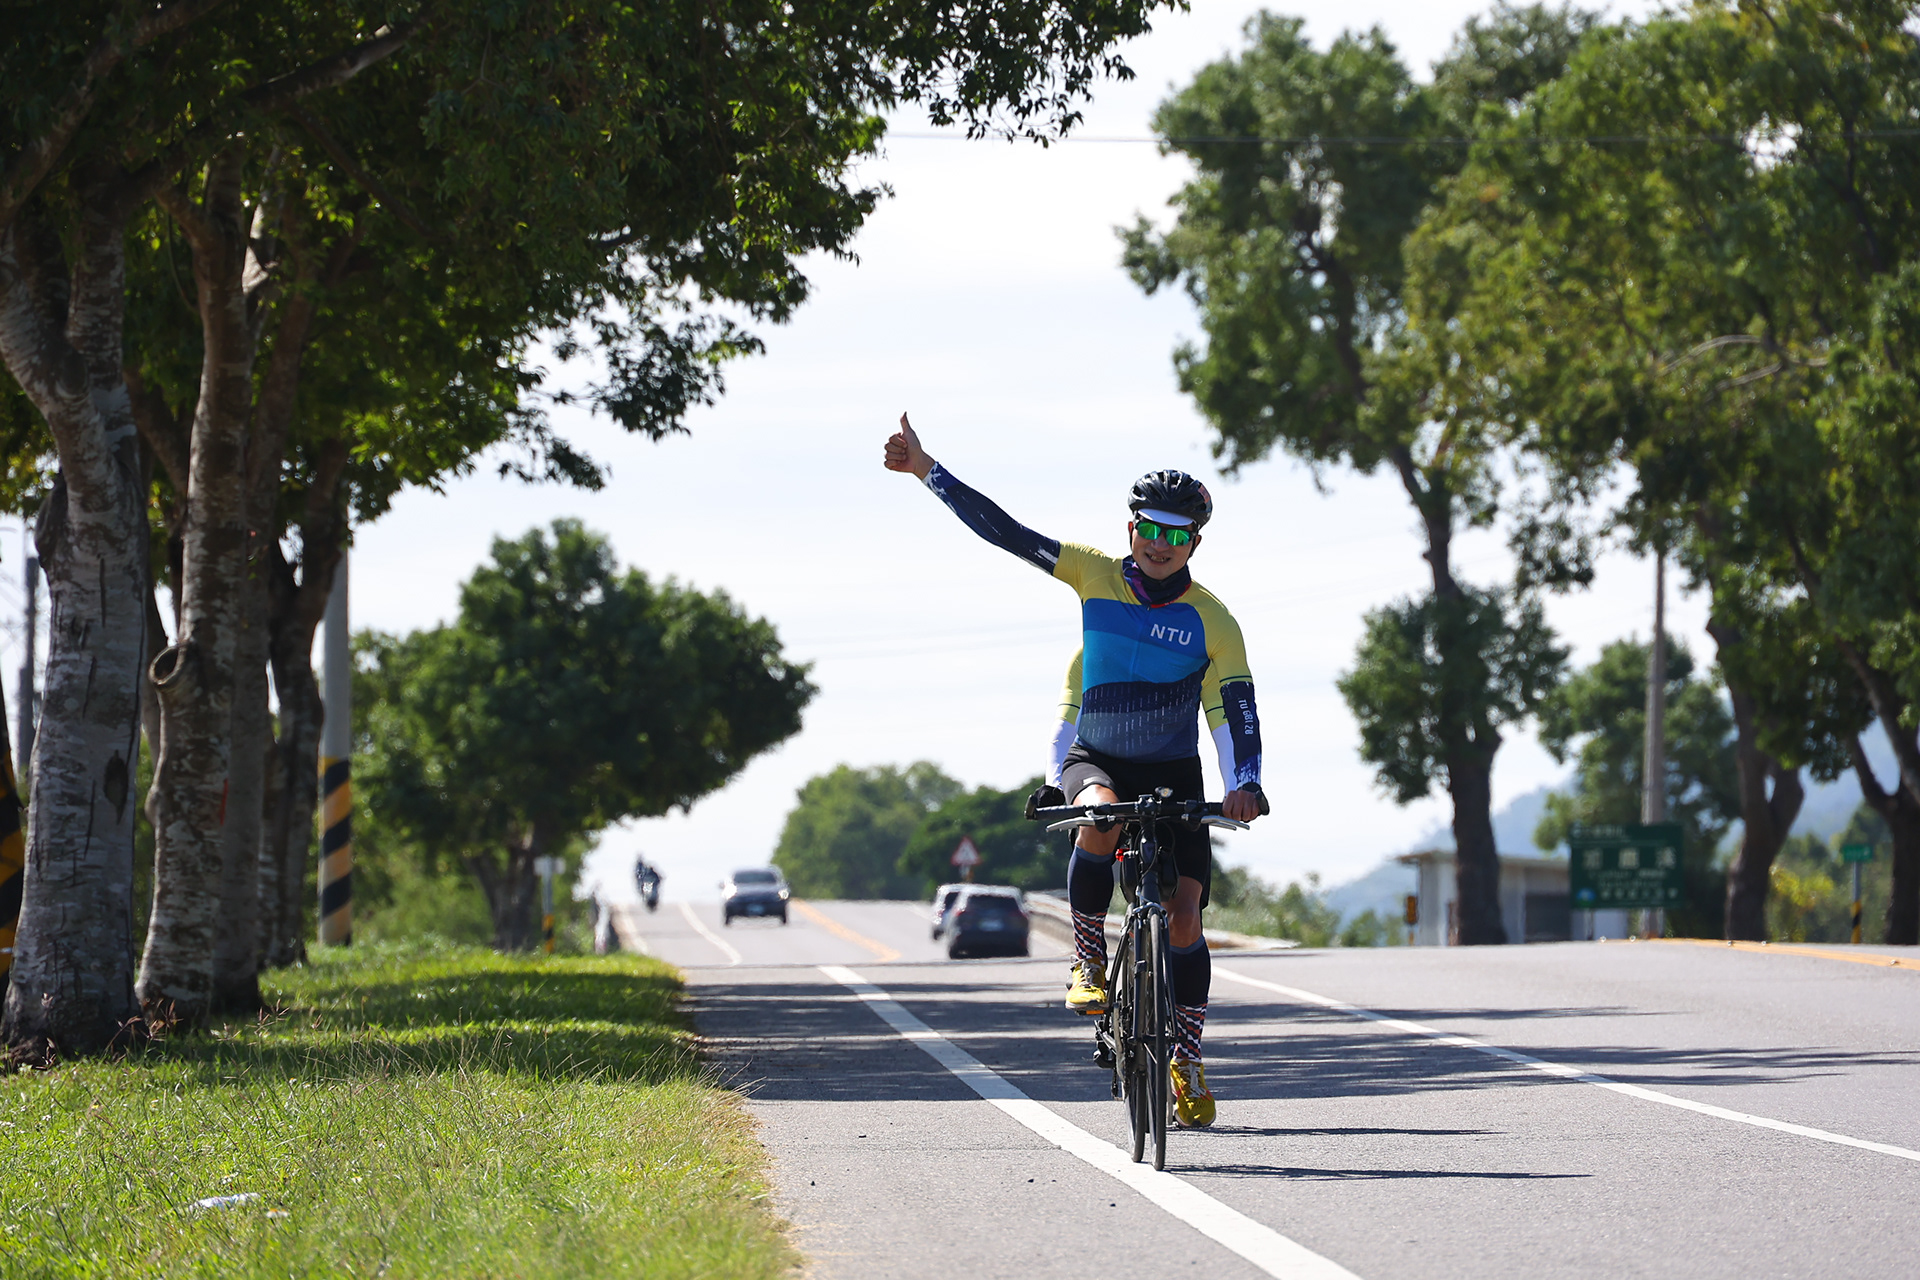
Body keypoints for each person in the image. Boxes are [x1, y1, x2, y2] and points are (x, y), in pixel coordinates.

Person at [884, 415, 1264, 1128]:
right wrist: (927, 470)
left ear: (1196, 544)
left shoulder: (1215, 621)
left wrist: (1243, 783)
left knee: (1185, 917)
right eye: (1150, 528)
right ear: (1130, 531)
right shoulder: (1090, 571)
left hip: (1175, 771)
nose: (1160, 544)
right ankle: (1089, 959)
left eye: (1177, 535)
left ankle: (1186, 1059)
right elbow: (1004, 530)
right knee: (1103, 811)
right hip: (1097, 758)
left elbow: (1234, 712)